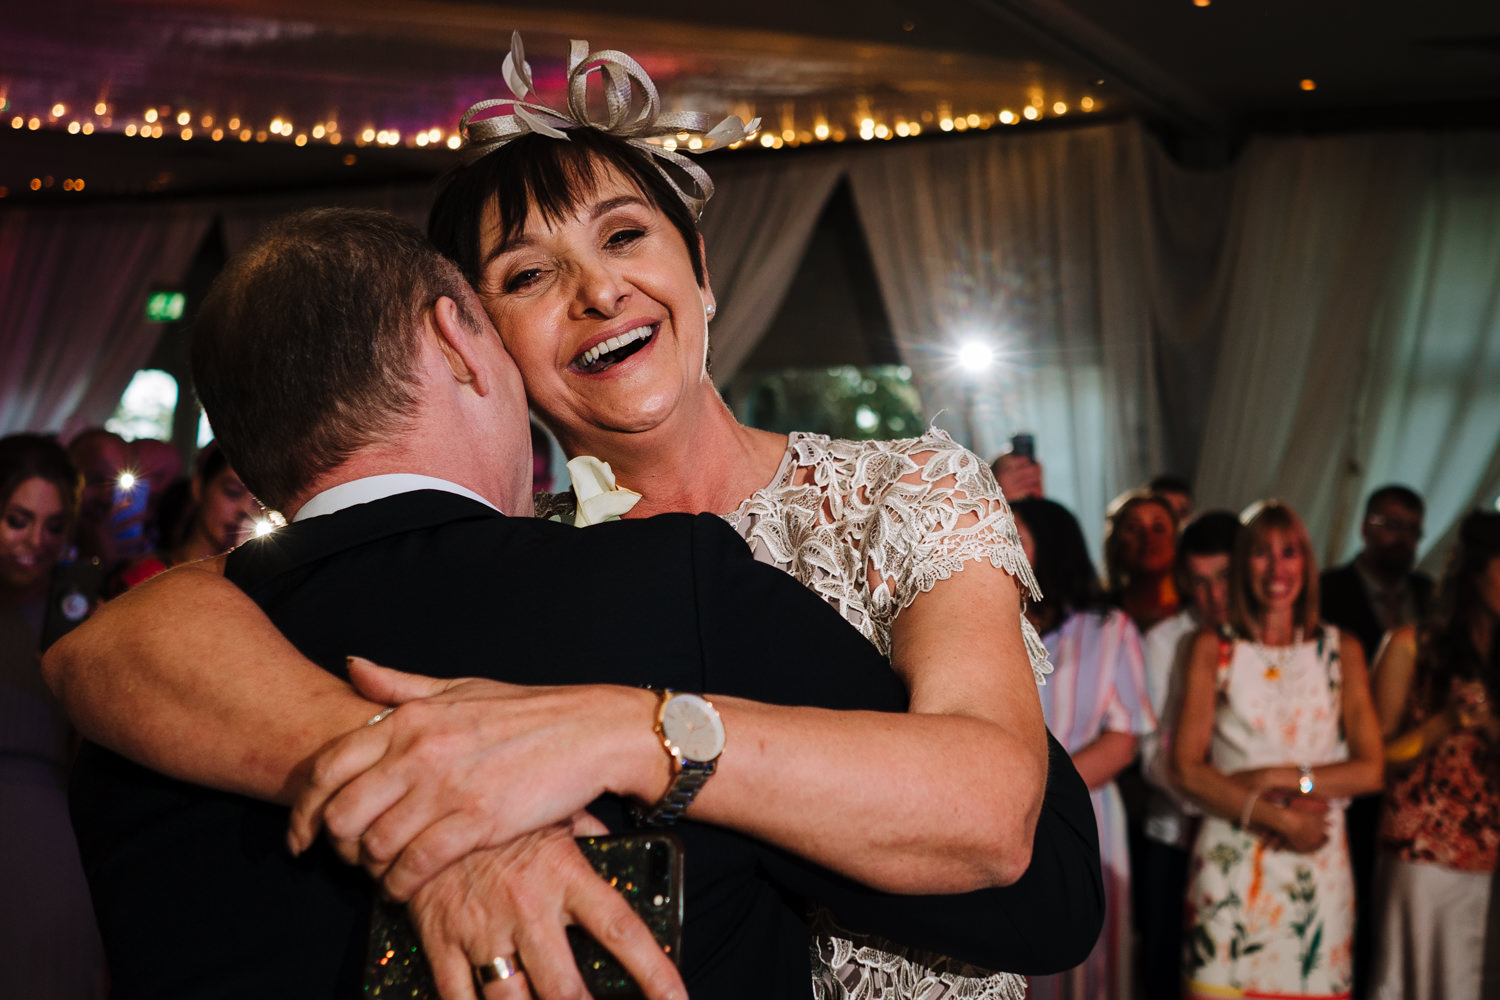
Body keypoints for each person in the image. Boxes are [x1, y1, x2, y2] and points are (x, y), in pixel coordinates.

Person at [48, 37, 1092, 1000]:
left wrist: (626, 731)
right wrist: (424, 776)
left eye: (626, 236)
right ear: (480, 345)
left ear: (704, 277)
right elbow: (117, 643)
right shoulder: (527, 569)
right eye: (530, 275)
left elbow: (999, 816)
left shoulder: (903, 489)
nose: (597, 291)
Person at [1171, 500, 1384, 1000]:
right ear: (1243, 562)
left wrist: (1278, 777)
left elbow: (1371, 771)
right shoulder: (1213, 647)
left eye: (1289, 553)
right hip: (1235, 854)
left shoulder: (1341, 649)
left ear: (1306, 563)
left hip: (1317, 859)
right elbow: (1185, 769)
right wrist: (1281, 817)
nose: (1276, 568)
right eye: (1261, 553)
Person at [1010, 497, 1155, 1000]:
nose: (999, 545)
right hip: (999, 808)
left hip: (1081, 810)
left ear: (1052, 547)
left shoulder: (1107, 628)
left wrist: (1037, 790)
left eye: (1017, 536)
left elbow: (1123, 739)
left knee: (1084, 966)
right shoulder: (988, 623)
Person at [1367, 510, 1500, 1000]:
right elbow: (1373, 759)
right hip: (1424, 854)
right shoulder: (1410, 646)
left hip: (1491, 859)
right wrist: (1442, 724)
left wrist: (1489, 727)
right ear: (1475, 569)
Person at [0, 434, 105, 999]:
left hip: (43, 846)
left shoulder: (81, 626)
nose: (35, 541)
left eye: (54, 526)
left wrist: (87, 673)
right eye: (17, 519)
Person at [1320, 484, 1434, 998]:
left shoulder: (1431, 596)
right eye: (1390, 525)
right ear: (1365, 525)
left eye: (1411, 529)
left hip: (1416, 780)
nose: (1401, 539)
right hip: (1346, 762)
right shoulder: (1326, 591)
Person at [1137, 510, 1241, 1000]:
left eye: (1225, 577)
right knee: (1170, 976)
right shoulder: (1161, 642)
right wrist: (1211, 795)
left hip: (1255, 836)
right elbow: (1149, 753)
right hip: (1176, 838)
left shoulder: (1275, 636)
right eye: (1199, 583)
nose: (1214, 596)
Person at [112, 442, 262, 591]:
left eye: (258, 502)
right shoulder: (150, 576)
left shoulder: (257, 586)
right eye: (233, 492)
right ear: (198, 487)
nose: (245, 509)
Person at [1104, 490, 1180, 632]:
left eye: (1158, 528)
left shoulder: (1195, 608)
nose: (1147, 538)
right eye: (1133, 528)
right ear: (1115, 543)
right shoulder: (1101, 614)